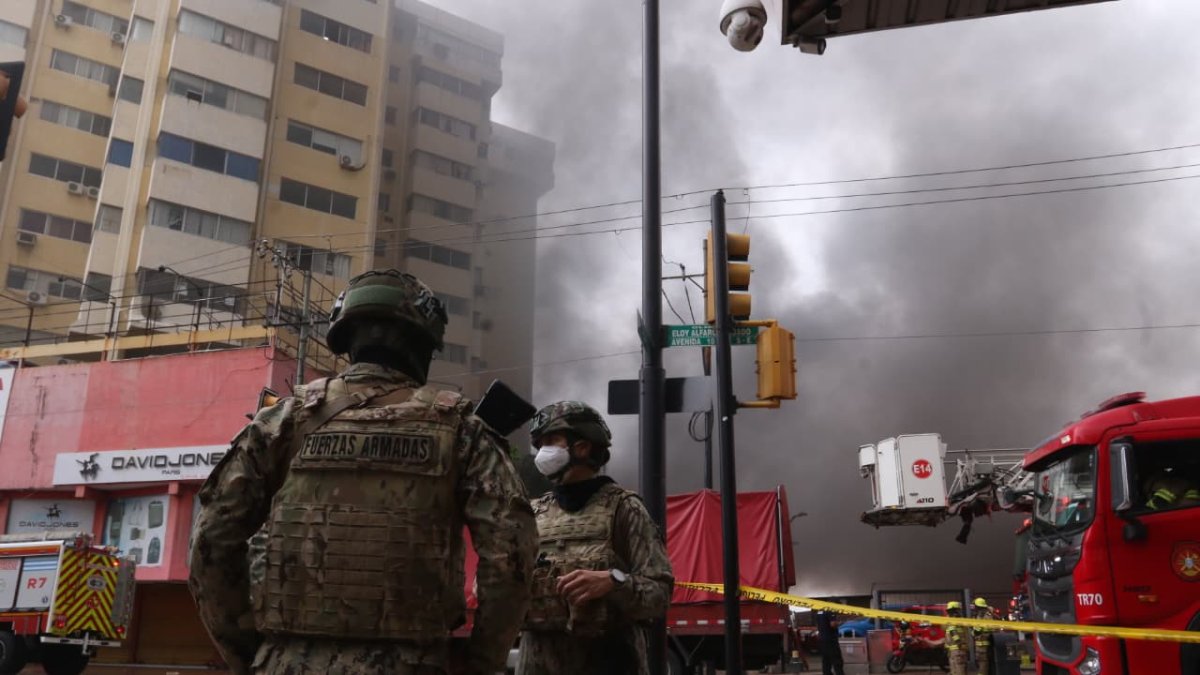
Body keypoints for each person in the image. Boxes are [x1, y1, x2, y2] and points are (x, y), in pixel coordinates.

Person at [189, 269, 537, 675]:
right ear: (424, 344)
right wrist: (481, 662)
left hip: (285, 661)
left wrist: (250, 654)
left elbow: (210, 542)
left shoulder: (281, 421)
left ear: (347, 339)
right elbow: (512, 556)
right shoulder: (461, 430)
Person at [517, 401, 674, 675]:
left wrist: (614, 582)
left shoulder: (624, 509)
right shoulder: (532, 514)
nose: (544, 451)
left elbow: (659, 594)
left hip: (610, 662)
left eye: (552, 440)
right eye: (540, 443)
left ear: (582, 447)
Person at [815, 608, 844, 675]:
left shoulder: (819, 612)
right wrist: (839, 623)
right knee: (837, 660)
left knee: (826, 660)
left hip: (822, 639)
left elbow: (818, 625)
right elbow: (833, 624)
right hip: (831, 640)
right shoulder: (830, 610)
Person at [972, 597, 995, 675]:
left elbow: (980, 631)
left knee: (983, 666)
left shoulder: (984, 616)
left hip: (983, 646)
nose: (974, 608)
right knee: (982, 665)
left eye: (975, 606)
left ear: (978, 606)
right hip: (980, 645)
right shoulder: (981, 615)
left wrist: (975, 631)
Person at [945, 601, 967, 675]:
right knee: (955, 671)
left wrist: (958, 642)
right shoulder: (954, 620)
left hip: (958, 650)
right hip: (955, 650)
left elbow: (953, 632)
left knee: (959, 671)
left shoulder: (955, 620)